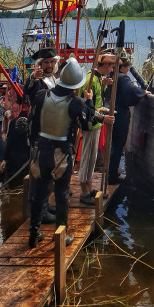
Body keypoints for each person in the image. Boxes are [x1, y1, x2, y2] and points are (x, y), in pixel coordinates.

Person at [27, 57, 114, 248]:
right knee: (62, 195)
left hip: (41, 150)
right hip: (61, 153)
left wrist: (33, 145)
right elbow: (87, 124)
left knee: (39, 194)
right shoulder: (77, 102)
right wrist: (90, 102)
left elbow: (32, 123)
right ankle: (61, 236)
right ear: (75, 86)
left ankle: (33, 234)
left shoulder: (42, 95)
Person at [78, 53, 115, 205]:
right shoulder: (89, 80)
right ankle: (84, 192)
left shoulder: (97, 79)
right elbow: (85, 107)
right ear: (105, 66)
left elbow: (95, 99)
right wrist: (103, 118)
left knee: (92, 158)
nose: (112, 70)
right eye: (111, 67)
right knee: (87, 158)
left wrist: (104, 84)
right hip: (90, 124)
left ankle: (90, 187)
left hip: (96, 124)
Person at [108, 58, 149, 184]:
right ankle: (113, 175)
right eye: (127, 67)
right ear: (122, 68)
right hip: (120, 114)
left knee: (114, 145)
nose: (129, 69)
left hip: (113, 110)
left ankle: (111, 172)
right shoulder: (123, 78)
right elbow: (132, 91)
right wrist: (143, 92)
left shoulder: (113, 77)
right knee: (118, 145)